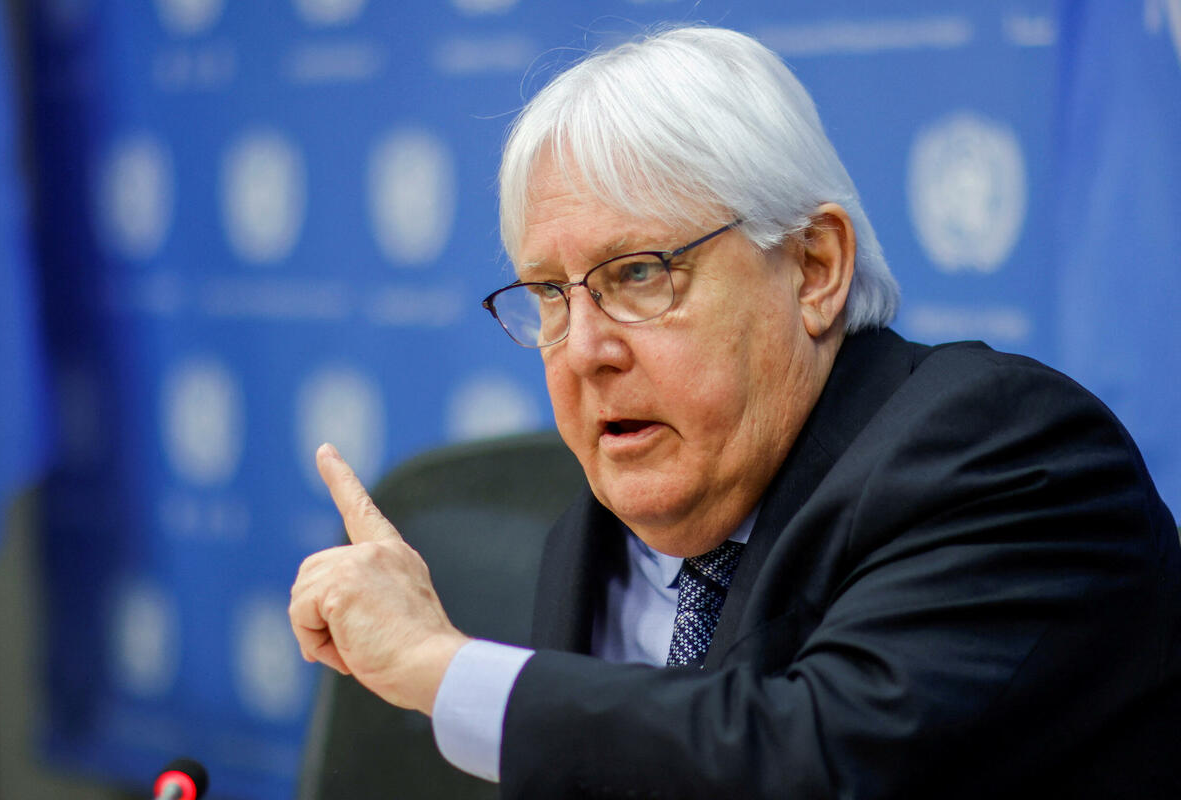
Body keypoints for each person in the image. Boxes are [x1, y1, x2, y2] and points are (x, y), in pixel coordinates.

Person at [289, 25, 1181, 798]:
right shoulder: (590, 542)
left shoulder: (1010, 455)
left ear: (815, 268)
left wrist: (439, 668)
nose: (586, 349)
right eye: (551, 294)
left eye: (639, 273)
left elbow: (814, 760)